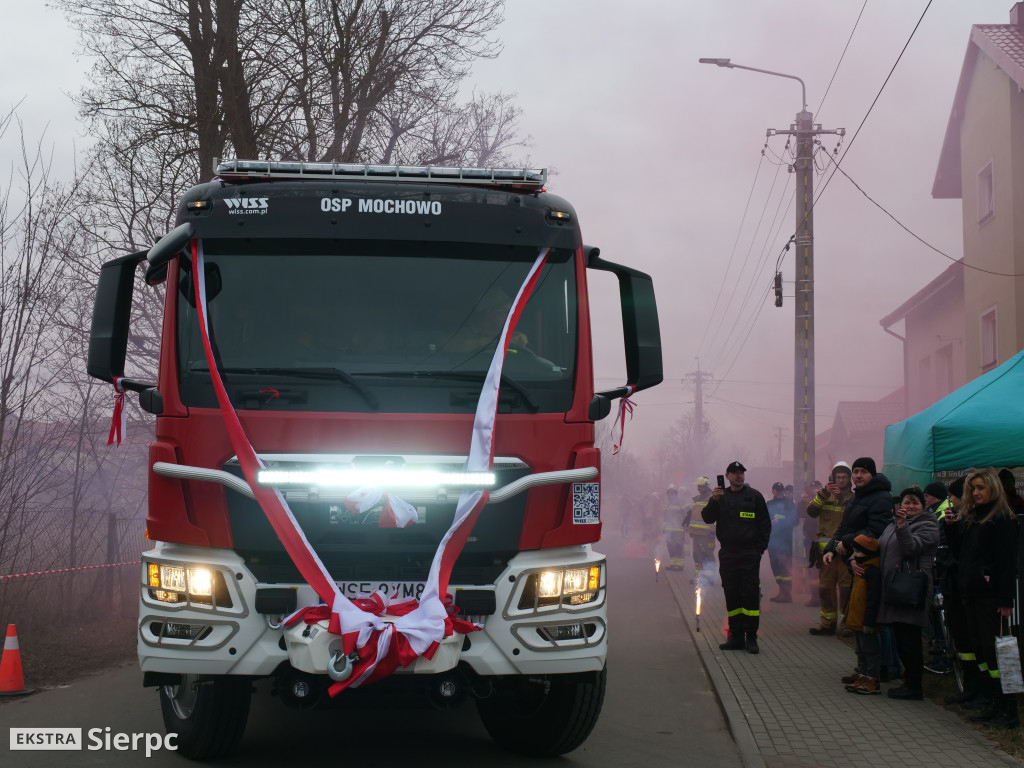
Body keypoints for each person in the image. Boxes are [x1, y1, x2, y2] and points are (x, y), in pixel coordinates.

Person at [946, 468, 1020, 728]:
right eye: (972, 489)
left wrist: (1005, 600)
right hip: (972, 594)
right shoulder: (973, 518)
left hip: (991, 598)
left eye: (980, 488)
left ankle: (1009, 710)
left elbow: (1007, 562)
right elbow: (962, 555)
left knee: (999, 653)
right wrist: (953, 530)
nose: (975, 493)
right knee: (982, 650)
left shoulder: (1002, 519)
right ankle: (992, 701)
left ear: (993, 488)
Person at [876, 486, 940, 700]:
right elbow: (880, 547)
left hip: (911, 589)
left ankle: (914, 686)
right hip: (895, 589)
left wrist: (902, 526)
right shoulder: (893, 524)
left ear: (923, 506)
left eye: (915, 503)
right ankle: (909, 680)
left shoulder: (928, 525)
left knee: (909, 638)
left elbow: (911, 548)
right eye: (906, 502)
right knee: (902, 637)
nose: (910, 506)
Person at [702, 461, 771, 654]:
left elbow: (765, 525)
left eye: (741, 473)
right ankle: (736, 637)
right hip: (728, 553)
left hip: (749, 554)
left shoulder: (754, 496)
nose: (739, 476)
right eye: (734, 473)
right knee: (731, 594)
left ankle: (752, 638)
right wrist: (713, 501)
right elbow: (707, 518)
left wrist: (759, 550)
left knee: (749, 595)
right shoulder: (720, 497)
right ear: (727, 476)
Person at [806, 462, 854, 635]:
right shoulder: (824, 496)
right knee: (825, 589)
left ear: (849, 479)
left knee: (846, 590)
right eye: (837, 477)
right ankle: (827, 624)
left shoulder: (853, 499)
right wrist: (824, 492)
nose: (840, 480)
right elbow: (811, 511)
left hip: (845, 552)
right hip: (825, 554)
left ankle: (847, 625)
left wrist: (841, 497)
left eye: (844, 477)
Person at [844, 534, 883, 695]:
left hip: (866, 621)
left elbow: (872, 600)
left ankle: (872, 679)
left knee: (869, 651)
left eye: (858, 553)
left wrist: (869, 622)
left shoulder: (872, 572)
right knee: (860, 650)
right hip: (857, 619)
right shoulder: (860, 570)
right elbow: (853, 595)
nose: (855, 556)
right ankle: (862, 675)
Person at [922, 480, 952, 674]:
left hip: (940, 574)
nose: (924, 498)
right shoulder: (937, 512)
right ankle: (939, 655)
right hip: (939, 572)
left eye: (927, 495)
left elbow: (939, 545)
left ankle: (942, 658)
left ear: (937, 497)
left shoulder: (941, 514)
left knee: (941, 620)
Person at [766, 481, 796, 603]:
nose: (779, 492)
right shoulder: (768, 504)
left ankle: (787, 594)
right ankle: (781, 591)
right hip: (772, 542)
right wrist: (771, 522)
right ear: (773, 491)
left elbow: (794, 521)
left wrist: (780, 522)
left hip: (785, 542)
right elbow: (763, 519)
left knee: (785, 567)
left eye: (781, 490)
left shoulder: (789, 504)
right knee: (776, 568)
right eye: (776, 490)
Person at [687, 477, 717, 584]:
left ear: (706, 486)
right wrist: (690, 528)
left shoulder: (712, 498)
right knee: (697, 555)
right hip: (696, 533)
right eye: (698, 486)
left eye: (700, 486)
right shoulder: (697, 499)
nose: (698, 488)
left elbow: (716, 515)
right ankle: (699, 578)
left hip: (707, 533)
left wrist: (712, 531)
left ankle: (709, 578)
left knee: (707, 555)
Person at [799, 480, 824, 607]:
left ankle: (821, 597)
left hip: (821, 539)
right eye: (812, 488)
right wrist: (802, 501)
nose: (814, 490)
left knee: (821, 569)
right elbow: (800, 514)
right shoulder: (808, 502)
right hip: (809, 539)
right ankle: (815, 596)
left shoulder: (825, 499)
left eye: (816, 488)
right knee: (811, 569)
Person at [663, 484, 687, 571]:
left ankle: (680, 565)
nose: (671, 494)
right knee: (670, 547)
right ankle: (673, 564)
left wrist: (686, 527)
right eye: (669, 492)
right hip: (669, 530)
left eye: (672, 492)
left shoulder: (681, 502)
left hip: (679, 530)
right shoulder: (667, 504)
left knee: (678, 547)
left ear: (676, 493)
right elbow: (665, 517)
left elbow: (686, 515)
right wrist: (664, 528)